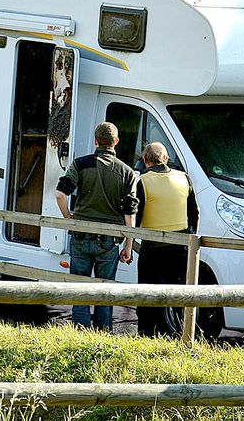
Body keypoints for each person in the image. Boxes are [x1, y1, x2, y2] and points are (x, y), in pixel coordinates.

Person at [55, 121, 139, 331]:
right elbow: (130, 215)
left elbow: (59, 195)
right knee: (105, 291)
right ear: (116, 142)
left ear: (95, 141)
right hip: (109, 242)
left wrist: (69, 220)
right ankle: (103, 334)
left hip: (81, 236)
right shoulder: (127, 173)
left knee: (80, 290)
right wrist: (128, 246)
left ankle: (81, 333)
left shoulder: (80, 164)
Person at [134, 142, 198, 337]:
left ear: (145, 161)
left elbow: (137, 216)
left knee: (147, 293)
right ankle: (181, 333)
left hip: (152, 248)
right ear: (166, 158)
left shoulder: (143, 181)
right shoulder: (184, 179)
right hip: (179, 248)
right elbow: (194, 213)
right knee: (179, 293)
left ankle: (147, 333)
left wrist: (131, 240)